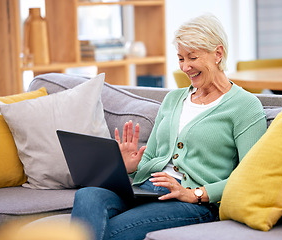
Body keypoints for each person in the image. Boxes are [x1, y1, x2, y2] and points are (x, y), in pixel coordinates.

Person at [71, 13, 267, 240]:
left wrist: (195, 194)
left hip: (193, 203)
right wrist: (130, 165)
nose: (185, 67)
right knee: (87, 196)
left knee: (110, 232)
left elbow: (250, 176)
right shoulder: (173, 99)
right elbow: (152, 155)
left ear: (218, 53)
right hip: (145, 188)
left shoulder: (245, 106)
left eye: (192, 57)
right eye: (181, 58)